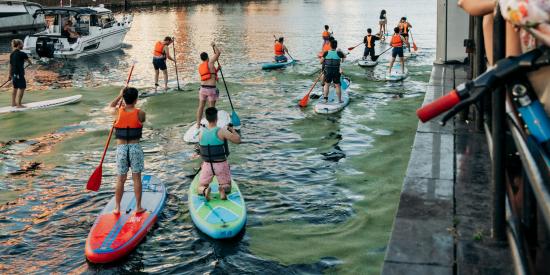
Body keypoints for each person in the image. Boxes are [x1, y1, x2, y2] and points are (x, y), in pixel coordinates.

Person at [109, 87, 147, 214]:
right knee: (136, 178)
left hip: (121, 149)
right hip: (135, 147)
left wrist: (119, 96)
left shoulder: (117, 112)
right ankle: (139, 207)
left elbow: (110, 106)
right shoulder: (140, 113)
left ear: (124, 98)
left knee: (120, 179)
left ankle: (117, 208)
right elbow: (142, 120)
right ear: (136, 100)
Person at [198, 107, 241, 200]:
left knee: (200, 187)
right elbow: (238, 140)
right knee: (227, 186)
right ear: (217, 118)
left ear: (206, 118)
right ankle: (223, 188)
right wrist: (232, 130)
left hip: (207, 165)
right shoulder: (222, 131)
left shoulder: (201, 133)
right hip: (220, 164)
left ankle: (205, 190)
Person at [196, 42, 221, 129]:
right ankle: (212, 126)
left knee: (201, 106)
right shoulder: (210, 62)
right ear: (207, 57)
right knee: (212, 108)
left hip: (202, 89)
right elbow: (218, 53)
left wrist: (217, 70)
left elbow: (209, 75)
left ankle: (198, 124)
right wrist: (214, 45)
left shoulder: (200, 66)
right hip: (211, 90)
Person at [8, 39, 31, 108]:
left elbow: (11, 65)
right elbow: (29, 62)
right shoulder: (22, 54)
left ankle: (13, 103)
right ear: (19, 45)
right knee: (22, 87)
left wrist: (9, 75)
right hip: (19, 74)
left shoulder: (12, 54)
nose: (23, 45)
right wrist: (29, 62)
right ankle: (19, 104)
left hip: (14, 74)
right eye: (22, 44)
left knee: (15, 88)